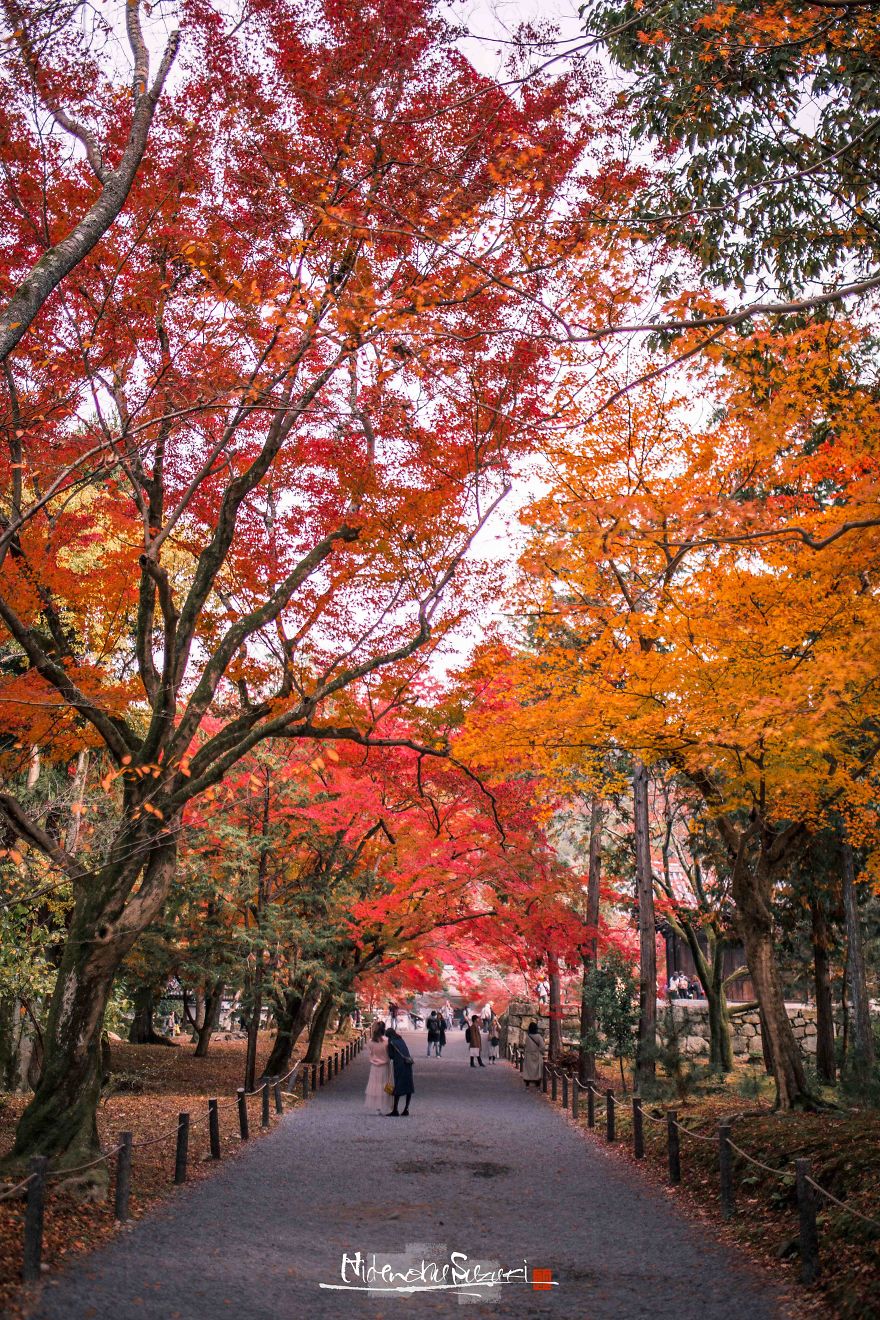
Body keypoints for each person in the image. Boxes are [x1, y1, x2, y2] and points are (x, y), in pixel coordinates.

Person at [365, 1020, 393, 1114]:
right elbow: (390, 1053)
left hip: (374, 1066)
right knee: (385, 1084)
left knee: (375, 1085)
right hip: (384, 1065)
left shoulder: (370, 1042)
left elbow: (370, 1053)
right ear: (384, 1029)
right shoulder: (387, 1041)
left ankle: (378, 1107)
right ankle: (387, 1104)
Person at [385, 1027, 414, 1116]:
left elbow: (391, 1056)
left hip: (399, 1065)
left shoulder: (391, 1042)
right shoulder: (401, 1039)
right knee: (408, 1085)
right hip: (408, 1063)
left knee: (398, 1086)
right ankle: (406, 1109)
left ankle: (395, 1110)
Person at [522, 1020, 546, 1088]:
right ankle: (537, 1083)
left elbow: (525, 1046)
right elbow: (542, 1047)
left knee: (528, 1070)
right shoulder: (538, 1037)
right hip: (537, 1055)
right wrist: (541, 1052)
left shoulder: (527, 1037)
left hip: (529, 1055)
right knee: (537, 1069)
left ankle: (527, 1083)